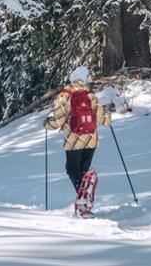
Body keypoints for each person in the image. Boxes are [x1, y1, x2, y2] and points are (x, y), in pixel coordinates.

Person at [44, 66, 111, 206]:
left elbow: (58, 121)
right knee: (83, 171)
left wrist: (47, 124)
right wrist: (108, 117)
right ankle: (85, 195)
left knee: (72, 168)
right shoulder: (90, 95)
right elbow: (103, 120)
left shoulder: (64, 95)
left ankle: (83, 197)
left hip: (74, 140)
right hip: (91, 139)